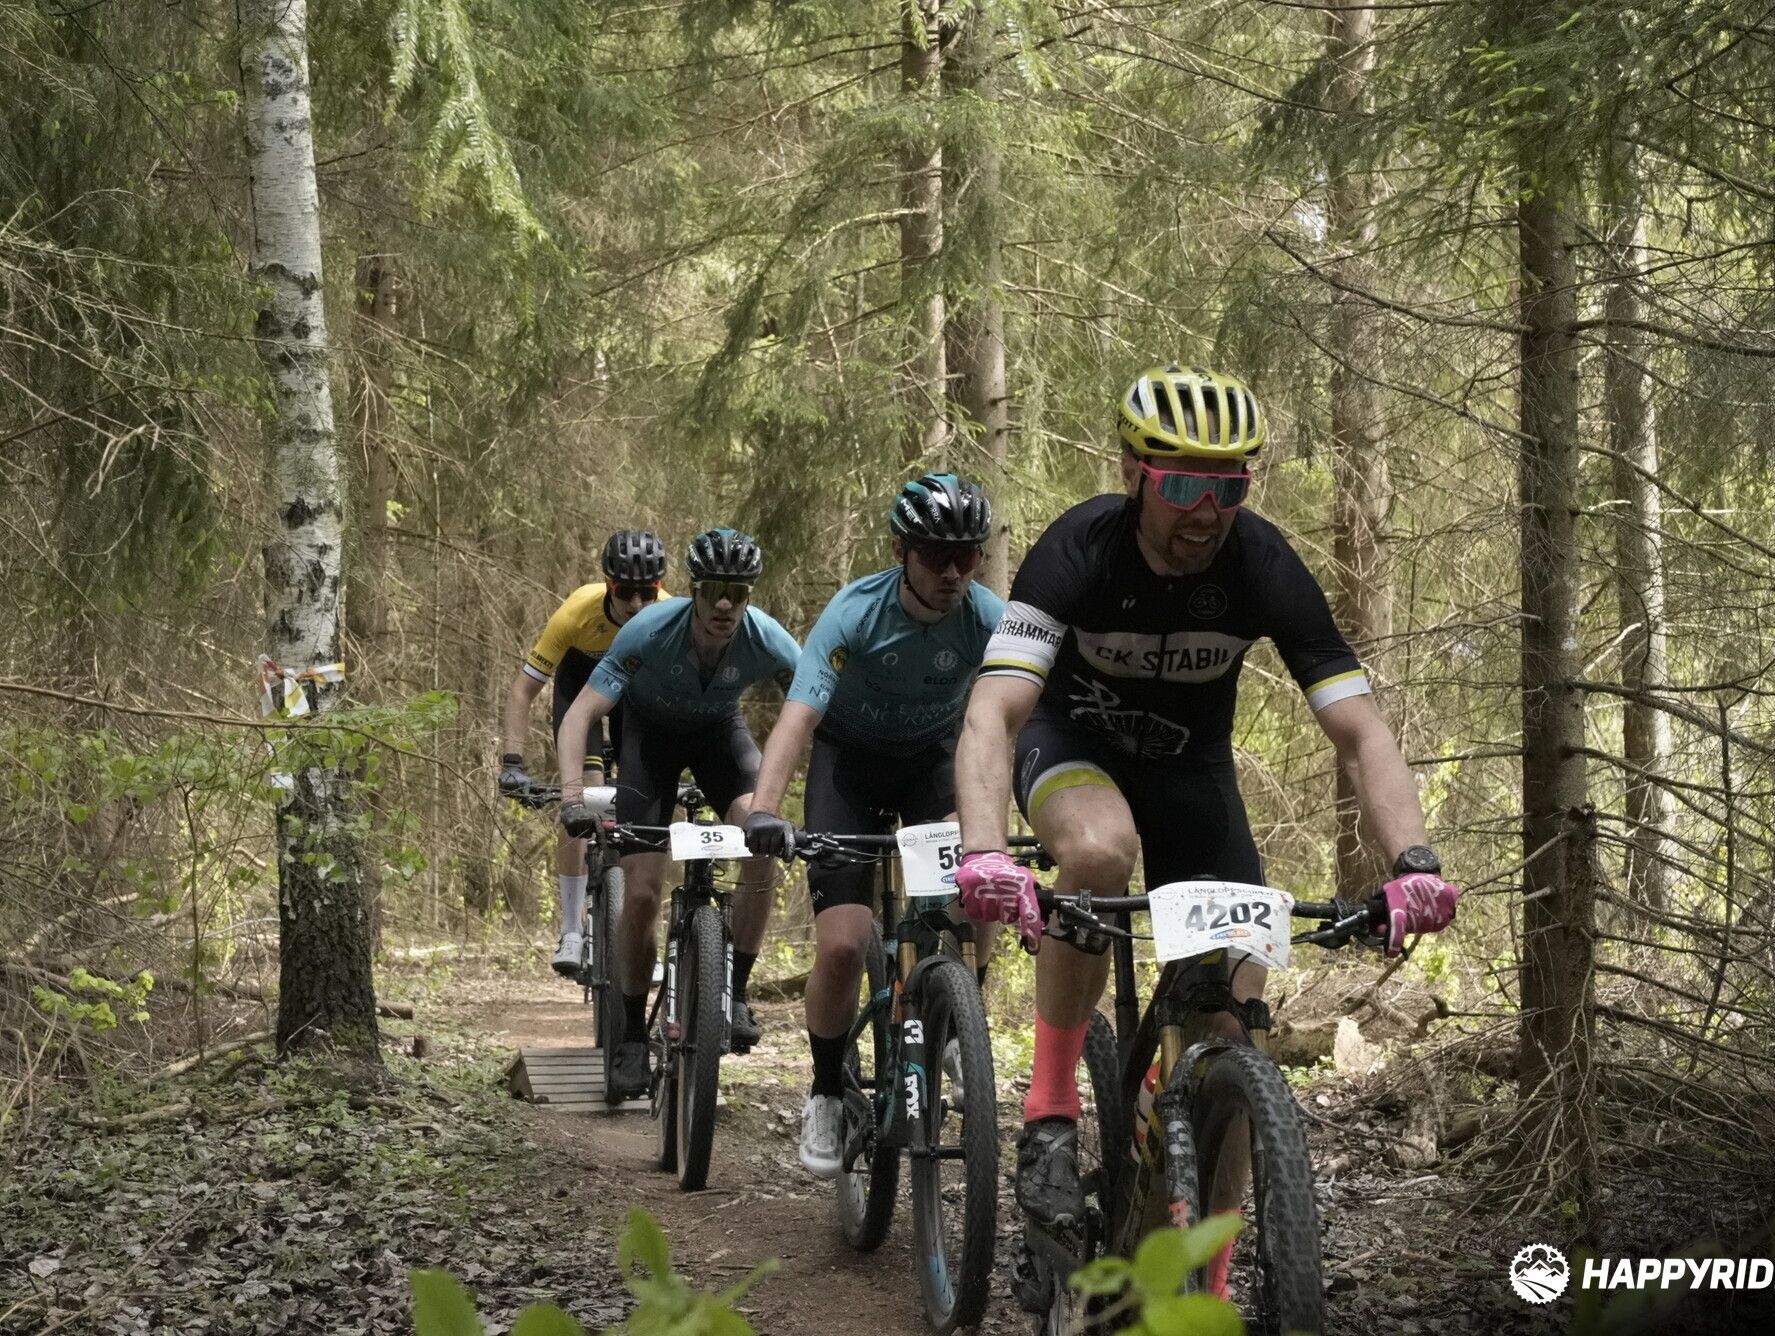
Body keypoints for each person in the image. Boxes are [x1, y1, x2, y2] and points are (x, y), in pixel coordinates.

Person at [952, 364, 1460, 1235]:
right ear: (1132, 472)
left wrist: (1413, 862)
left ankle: (1208, 1280)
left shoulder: (1262, 562)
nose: (1206, 511)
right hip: (1074, 747)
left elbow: (1362, 732)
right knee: (1099, 849)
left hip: (1193, 776)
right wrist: (985, 850)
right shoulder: (1078, 549)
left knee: (1233, 1031)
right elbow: (993, 712)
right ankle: (1050, 1114)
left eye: (1229, 487)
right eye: (1183, 485)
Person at [742, 475, 1006, 1177]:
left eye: (967, 556)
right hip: (849, 769)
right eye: (935, 555)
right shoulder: (855, 612)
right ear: (900, 551)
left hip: (932, 764)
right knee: (841, 946)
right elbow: (798, 718)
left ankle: (964, 1023)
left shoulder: (987, 618)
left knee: (981, 877)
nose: (952, 572)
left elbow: (1020, 717)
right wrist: (765, 809)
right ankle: (827, 1091)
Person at [557, 528, 801, 1097]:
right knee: (642, 893)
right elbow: (579, 715)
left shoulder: (768, 638)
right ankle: (631, 1036)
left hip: (720, 736)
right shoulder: (648, 630)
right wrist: (572, 798)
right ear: (693, 590)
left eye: (737, 593)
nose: (725, 604)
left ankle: (736, 991)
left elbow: (815, 707)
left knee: (761, 841)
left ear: (749, 596)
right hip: (650, 744)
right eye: (714, 590)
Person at [497, 530, 670, 978]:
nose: (637, 604)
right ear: (608, 584)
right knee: (584, 793)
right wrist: (513, 762)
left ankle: (639, 933)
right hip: (580, 690)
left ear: (660, 587)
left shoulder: (670, 614)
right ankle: (572, 927)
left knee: (641, 796)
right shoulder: (576, 612)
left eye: (647, 592)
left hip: (635, 698)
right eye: (625, 592)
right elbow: (523, 690)